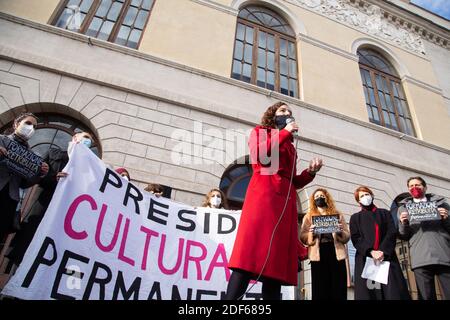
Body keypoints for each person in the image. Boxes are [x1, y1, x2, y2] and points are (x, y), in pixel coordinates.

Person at [225, 101, 323, 300]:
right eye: (283, 110)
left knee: (275, 265)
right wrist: (285, 132)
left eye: (290, 112)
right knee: (249, 255)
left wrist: (310, 172)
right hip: (264, 198)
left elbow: (292, 181)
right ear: (273, 114)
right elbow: (261, 156)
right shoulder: (262, 132)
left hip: (285, 205)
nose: (288, 113)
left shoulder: (290, 147)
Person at [6, 131, 94, 266]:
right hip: (43, 208)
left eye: (91, 141)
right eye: (86, 137)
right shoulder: (54, 154)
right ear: (75, 138)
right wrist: (54, 177)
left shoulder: (90, 169)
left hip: (65, 218)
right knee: (26, 251)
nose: (89, 141)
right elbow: (35, 175)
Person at [350, 186, 410, 300]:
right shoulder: (355, 218)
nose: (365, 197)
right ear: (358, 201)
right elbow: (356, 238)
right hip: (366, 260)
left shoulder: (385, 213)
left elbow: (391, 232)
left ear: (372, 196)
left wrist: (382, 251)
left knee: (393, 292)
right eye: (361, 196)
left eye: (366, 194)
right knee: (370, 293)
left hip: (387, 258)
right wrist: (371, 251)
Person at [398, 176, 450, 300]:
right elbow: (403, 235)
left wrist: (446, 219)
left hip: (443, 255)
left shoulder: (442, 204)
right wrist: (403, 223)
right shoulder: (403, 209)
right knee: (426, 296)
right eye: (411, 186)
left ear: (425, 187)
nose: (414, 188)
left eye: (417, 185)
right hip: (420, 257)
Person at [0, 113, 49, 241]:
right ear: (16, 124)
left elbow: (24, 183)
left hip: (10, 199)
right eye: (28, 123)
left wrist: (40, 173)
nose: (31, 127)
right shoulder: (1, 139)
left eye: (34, 126)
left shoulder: (32, 156)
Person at [300, 188, 349, 300]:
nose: (319, 198)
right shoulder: (309, 216)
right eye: (316, 197)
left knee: (338, 287)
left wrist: (340, 231)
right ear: (313, 200)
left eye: (321, 196)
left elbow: (347, 235)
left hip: (336, 252)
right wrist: (311, 233)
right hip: (318, 254)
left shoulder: (337, 214)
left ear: (326, 197)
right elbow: (302, 236)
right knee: (320, 288)